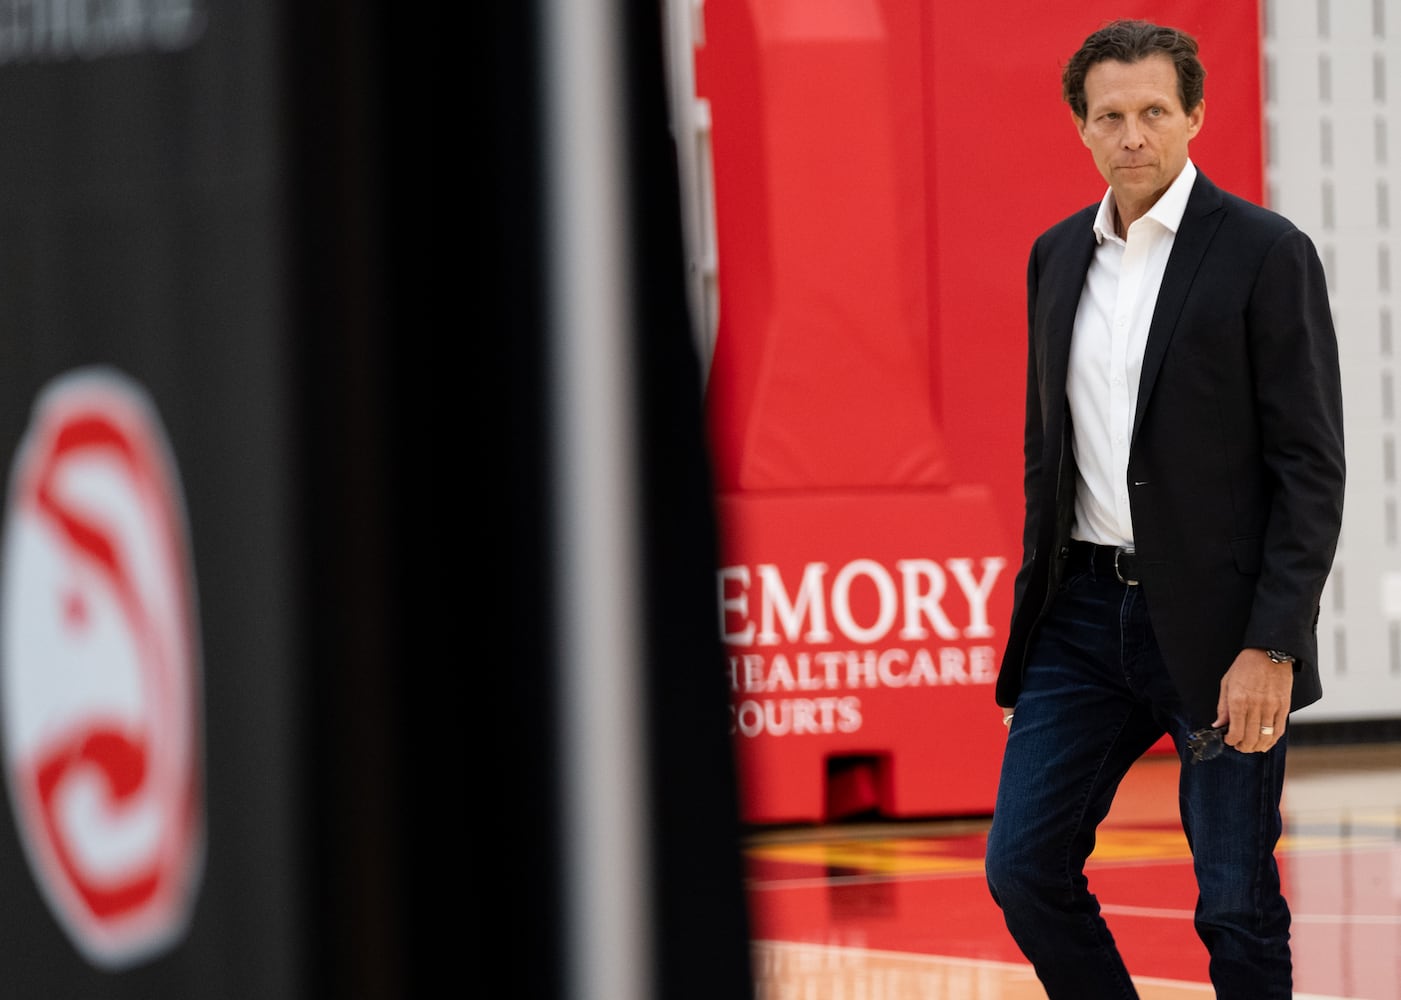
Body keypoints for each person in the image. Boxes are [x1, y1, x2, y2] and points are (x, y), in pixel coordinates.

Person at [983, 19, 1345, 1000]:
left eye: (1153, 111)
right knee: (1021, 868)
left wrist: (1274, 641)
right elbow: (1046, 451)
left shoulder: (1267, 253)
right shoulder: (1055, 256)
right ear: (1081, 129)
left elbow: (1310, 466)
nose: (1133, 134)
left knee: (1234, 904)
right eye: (1110, 116)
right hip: (1084, 618)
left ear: (1194, 115)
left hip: (1223, 628)